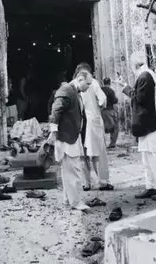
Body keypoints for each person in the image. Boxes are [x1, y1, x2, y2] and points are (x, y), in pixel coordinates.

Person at [121, 52, 156, 202]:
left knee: (153, 157)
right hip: (148, 124)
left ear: (134, 65)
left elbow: (140, 99)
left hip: (149, 124)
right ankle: (151, 186)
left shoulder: (145, 76)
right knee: (147, 157)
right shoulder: (147, 75)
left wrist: (126, 88)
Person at [47, 70, 92, 211]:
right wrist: (53, 131)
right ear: (80, 79)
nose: (89, 87)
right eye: (88, 83)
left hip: (71, 136)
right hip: (66, 137)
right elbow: (56, 110)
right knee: (73, 170)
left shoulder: (73, 91)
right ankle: (76, 202)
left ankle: (68, 199)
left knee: (68, 170)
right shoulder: (67, 90)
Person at [74, 63, 114, 191]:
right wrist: (99, 107)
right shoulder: (93, 83)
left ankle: (87, 183)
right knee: (97, 153)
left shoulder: (74, 84)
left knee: (84, 153)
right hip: (89, 121)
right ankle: (102, 182)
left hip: (83, 122)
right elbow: (103, 100)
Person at [101, 77, 119, 148]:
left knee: (101, 128)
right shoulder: (111, 91)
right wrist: (116, 112)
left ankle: (102, 144)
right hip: (109, 111)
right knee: (115, 127)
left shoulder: (100, 90)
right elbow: (115, 103)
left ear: (103, 82)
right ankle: (112, 143)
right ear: (110, 83)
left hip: (101, 111)